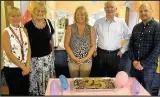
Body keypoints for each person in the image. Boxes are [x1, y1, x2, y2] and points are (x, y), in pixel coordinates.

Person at [24, 2, 56, 95]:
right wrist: (27, 62)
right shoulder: (27, 26)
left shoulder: (49, 23)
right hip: (34, 62)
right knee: (36, 87)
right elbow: (26, 45)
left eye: (42, 11)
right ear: (34, 11)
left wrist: (53, 55)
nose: (40, 13)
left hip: (48, 60)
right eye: (38, 10)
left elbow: (51, 40)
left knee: (48, 85)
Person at [129, 3, 160, 95]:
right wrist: (134, 60)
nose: (143, 13)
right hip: (134, 67)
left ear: (151, 11)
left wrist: (143, 63)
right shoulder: (136, 27)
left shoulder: (157, 27)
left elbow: (158, 49)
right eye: (141, 11)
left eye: (146, 10)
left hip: (149, 68)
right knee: (134, 91)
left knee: (146, 92)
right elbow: (130, 46)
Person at [94, 1, 131, 77]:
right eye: (107, 7)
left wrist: (123, 50)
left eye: (112, 7)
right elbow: (93, 37)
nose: (109, 9)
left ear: (115, 9)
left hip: (115, 55)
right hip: (100, 54)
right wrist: (94, 49)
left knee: (113, 78)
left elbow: (129, 38)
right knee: (99, 77)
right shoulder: (98, 22)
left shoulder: (121, 22)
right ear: (104, 9)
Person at [2, 7, 31, 95]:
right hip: (12, 69)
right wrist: (24, 67)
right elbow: (9, 54)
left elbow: (28, 48)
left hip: (25, 68)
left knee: (25, 92)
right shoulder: (5, 32)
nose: (16, 18)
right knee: (15, 93)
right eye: (13, 16)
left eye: (18, 15)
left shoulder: (24, 30)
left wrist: (27, 65)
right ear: (8, 17)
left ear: (21, 16)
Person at [64, 6, 96, 78]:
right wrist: (73, 57)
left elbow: (93, 45)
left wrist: (86, 58)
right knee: (74, 81)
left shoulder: (91, 28)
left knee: (84, 82)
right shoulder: (70, 28)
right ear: (75, 16)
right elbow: (66, 44)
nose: (80, 16)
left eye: (82, 14)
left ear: (85, 16)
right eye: (78, 14)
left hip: (86, 60)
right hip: (72, 60)